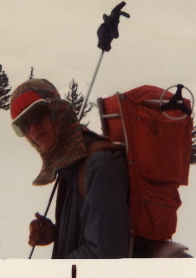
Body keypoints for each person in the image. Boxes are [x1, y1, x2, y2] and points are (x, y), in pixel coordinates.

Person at [9, 78, 130, 259]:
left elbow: (104, 257)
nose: (33, 128)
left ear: (56, 110)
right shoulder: (70, 166)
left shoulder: (100, 165)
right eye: (23, 125)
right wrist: (58, 234)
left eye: (36, 115)